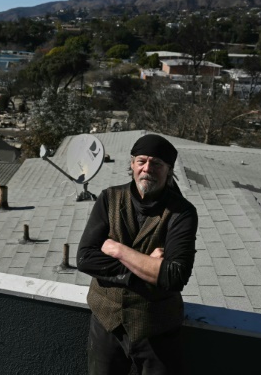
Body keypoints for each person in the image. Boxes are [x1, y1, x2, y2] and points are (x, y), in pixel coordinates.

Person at [77, 134, 198, 375]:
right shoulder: (109, 198)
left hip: (156, 329)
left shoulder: (182, 213)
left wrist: (119, 249)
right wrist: (145, 267)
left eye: (157, 164)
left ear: (169, 170)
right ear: (131, 164)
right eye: (141, 161)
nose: (147, 169)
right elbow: (85, 258)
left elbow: (174, 276)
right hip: (106, 323)